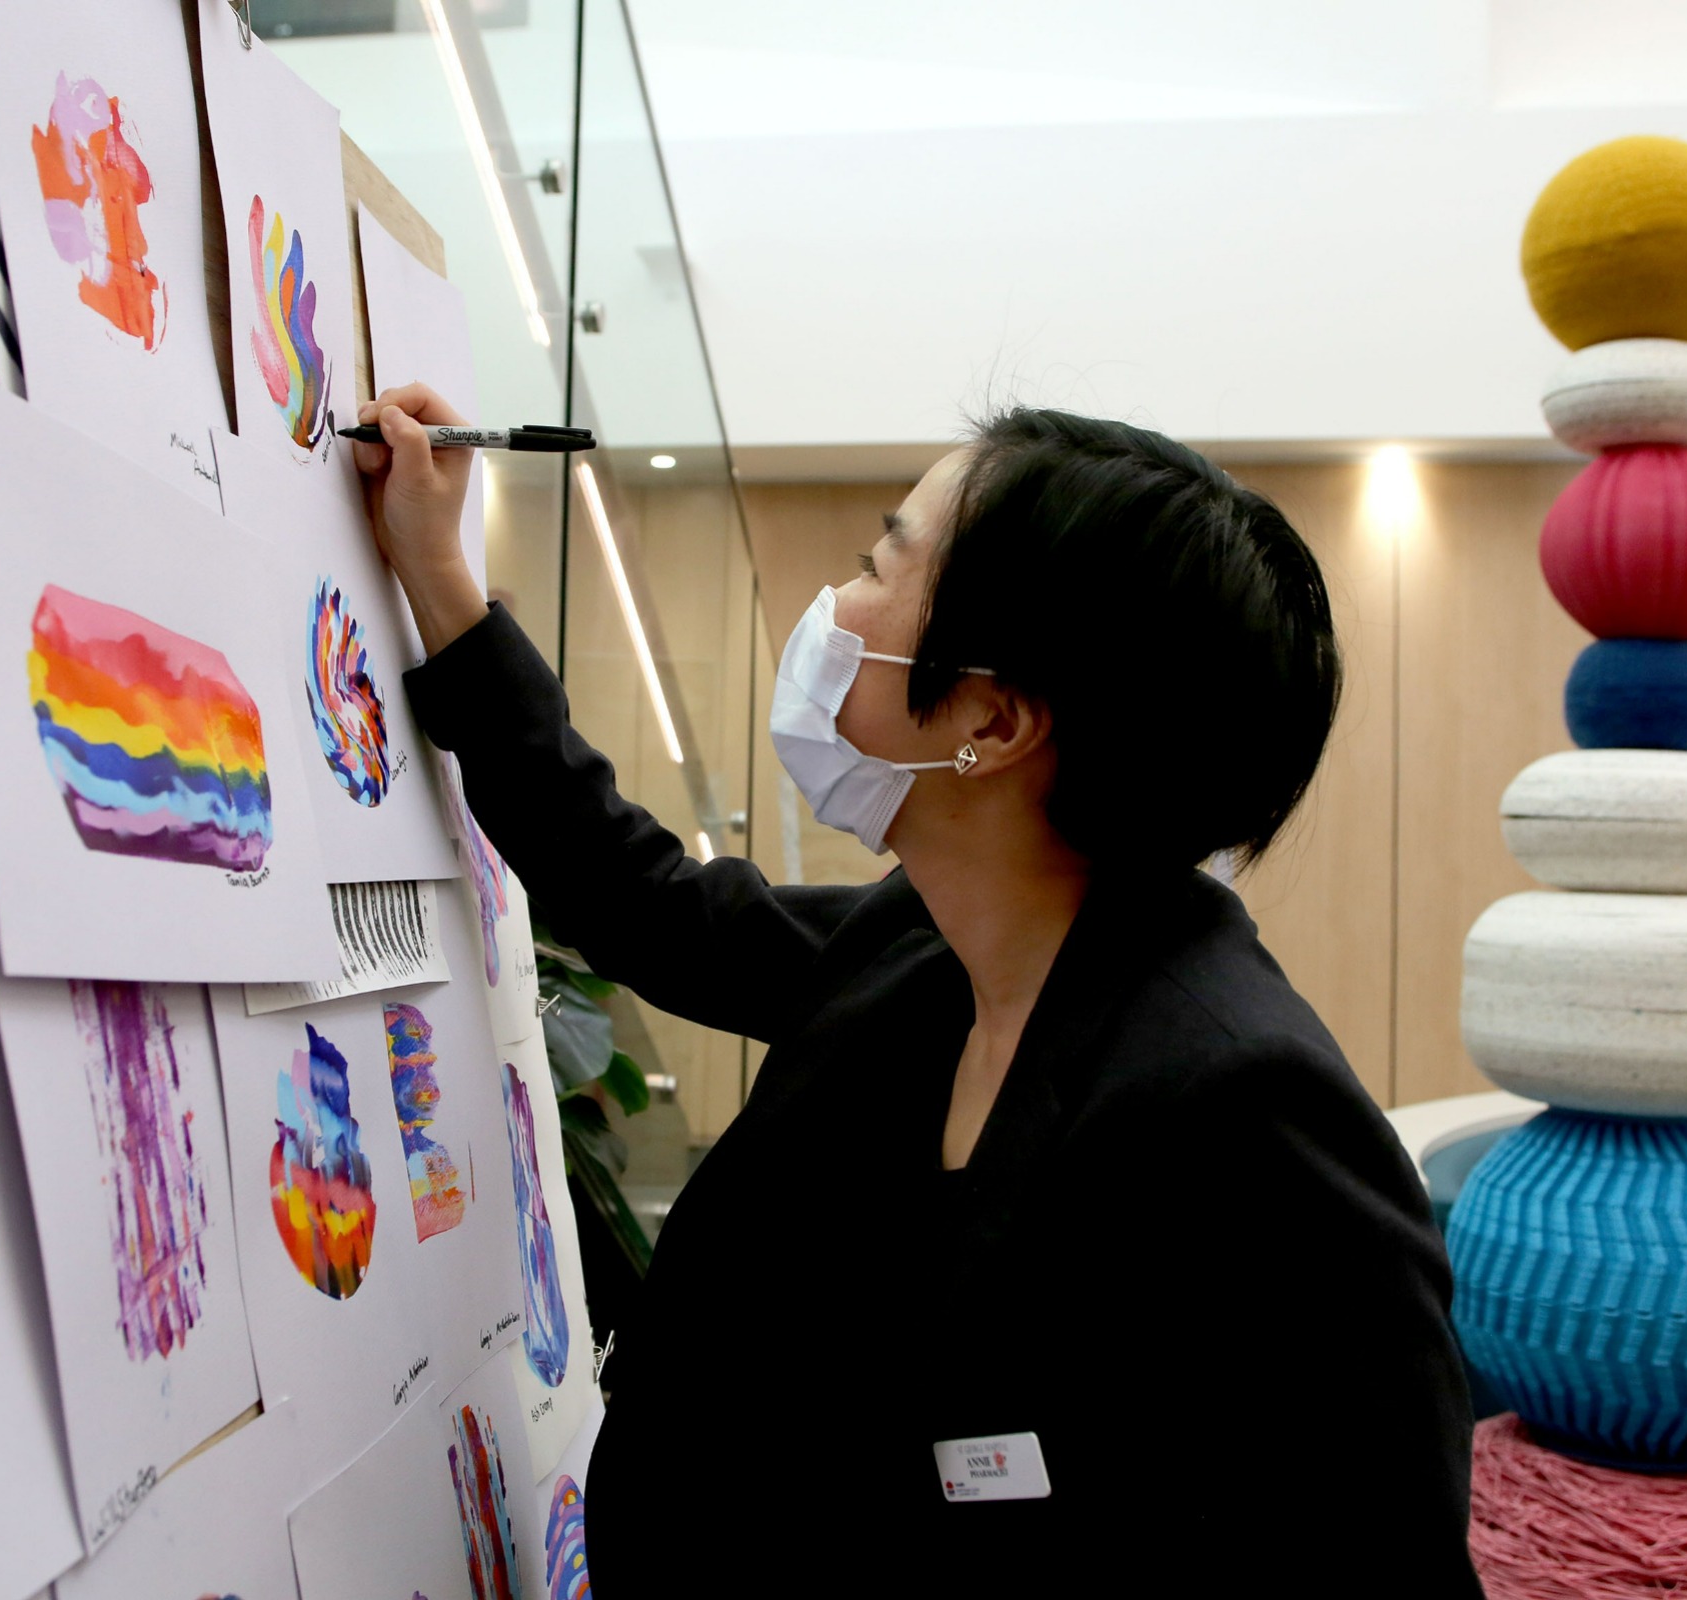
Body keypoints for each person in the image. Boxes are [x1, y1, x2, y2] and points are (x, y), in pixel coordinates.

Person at [355, 388, 1482, 1595]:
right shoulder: (929, 945)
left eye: (876, 565)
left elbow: (1379, 1554)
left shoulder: (1245, 1109)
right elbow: (655, 906)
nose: (833, 609)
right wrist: (440, 581)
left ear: (992, 720)